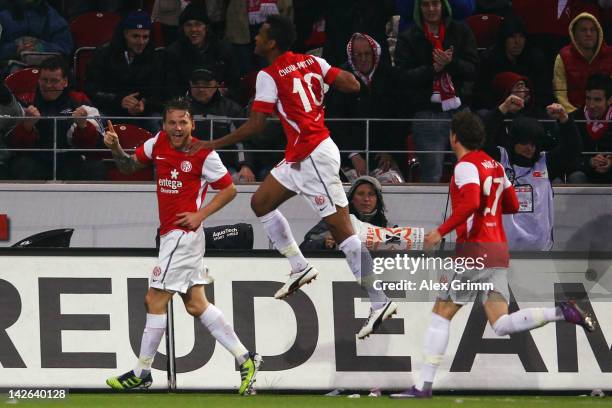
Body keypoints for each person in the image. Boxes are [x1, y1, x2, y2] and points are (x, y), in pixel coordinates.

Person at [190, 15, 397, 339]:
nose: (255, 38)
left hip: (313, 154)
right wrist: (316, 97)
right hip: (300, 155)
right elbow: (353, 84)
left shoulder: (269, 75)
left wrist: (212, 144)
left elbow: (256, 126)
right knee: (261, 202)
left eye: (261, 35)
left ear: (272, 43)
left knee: (342, 230)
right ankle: (300, 266)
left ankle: (379, 300)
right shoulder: (311, 61)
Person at [390, 111, 596, 399]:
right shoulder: (496, 166)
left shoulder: (466, 165)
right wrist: (489, 211)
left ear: (454, 137)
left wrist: (441, 231)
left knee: (441, 314)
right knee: (500, 323)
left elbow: (473, 201)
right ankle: (561, 312)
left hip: (475, 249)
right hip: (498, 250)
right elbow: (511, 204)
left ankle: (423, 386)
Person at [103, 98, 261, 394]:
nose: (177, 128)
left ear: (192, 124)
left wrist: (200, 214)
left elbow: (229, 189)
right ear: (164, 125)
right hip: (172, 235)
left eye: (183, 122)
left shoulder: (204, 153)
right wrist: (114, 147)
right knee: (195, 304)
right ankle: (245, 358)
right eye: (172, 122)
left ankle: (142, 372)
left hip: (182, 235)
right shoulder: (157, 143)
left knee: (154, 299)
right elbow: (127, 166)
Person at [394, 0, 479, 182]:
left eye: (435, 4)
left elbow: (474, 69)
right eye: (425, 5)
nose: (431, 9)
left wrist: (451, 63)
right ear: (419, 8)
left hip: (460, 111)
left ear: (443, 6)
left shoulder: (461, 30)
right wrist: (433, 68)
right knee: (431, 174)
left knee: (469, 173)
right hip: (427, 113)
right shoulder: (408, 37)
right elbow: (403, 78)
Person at [483, 97, 582, 250]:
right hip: (502, 247)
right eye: (524, 142)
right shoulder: (500, 160)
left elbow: (573, 147)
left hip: (539, 248)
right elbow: (480, 139)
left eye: (534, 143)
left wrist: (564, 119)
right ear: (514, 140)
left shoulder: (544, 163)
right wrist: (502, 108)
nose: (530, 148)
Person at [6, 56, 106, 180]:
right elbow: (11, 144)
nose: (48, 85)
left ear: (65, 82)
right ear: (38, 80)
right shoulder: (26, 101)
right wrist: (26, 126)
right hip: (35, 160)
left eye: (54, 81)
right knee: (21, 166)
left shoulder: (80, 101)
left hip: (71, 160)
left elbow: (98, 145)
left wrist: (83, 126)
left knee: (95, 167)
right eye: (44, 80)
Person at [326, 32, 403, 179]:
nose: (363, 59)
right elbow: (335, 121)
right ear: (351, 55)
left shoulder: (389, 76)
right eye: (358, 54)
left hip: (382, 156)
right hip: (347, 159)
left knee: (395, 184)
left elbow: (398, 117)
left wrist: (389, 151)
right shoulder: (340, 78)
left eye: (367, 54)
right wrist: (353, 154)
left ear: (375, 54)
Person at [85, 10, 163, 132]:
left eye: (145, 37)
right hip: (109, 110)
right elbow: (91, 90)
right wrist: (119, 100)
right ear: (125, 34)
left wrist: (144, 104)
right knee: (94, 122)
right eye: (135, 36)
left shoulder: (156, 58)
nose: (141, 42)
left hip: (144, 113)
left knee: (158, 121)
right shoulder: (103, 54)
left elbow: (161, 92)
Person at [187, 68, 256, 182]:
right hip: (188, 166)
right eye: (196, 85)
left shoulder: (231, 109)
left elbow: (241, 141)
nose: (201, 89)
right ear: (190, 85)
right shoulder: (181, 109)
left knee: (241, 179)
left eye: (206, 84)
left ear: (216, 85)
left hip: (223, 167)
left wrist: (245, 166)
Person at [163, 3, 238, 100]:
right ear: (183, 29)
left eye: (198, 24)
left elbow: (235, 84)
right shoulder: (173, 52)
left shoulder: (223, 49)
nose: (193, 29)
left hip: (219, 103)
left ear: (206, 27)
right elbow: (171, 87)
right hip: (186, 104)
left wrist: (224, 92)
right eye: (188, 25)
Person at [300, 175, 389, 250]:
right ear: (352, 199)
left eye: (371, 194)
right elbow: (304, 246)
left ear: (378, 200)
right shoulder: (335, 220)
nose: (366, 199)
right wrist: (323, 243)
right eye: (361, 194)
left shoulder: (385, 225)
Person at [553, 12, 612, 113]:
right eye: (583, 30)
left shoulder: (610, 54)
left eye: (593, 30)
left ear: (599, 32)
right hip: (573, 115)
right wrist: (574, 113)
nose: (589, 34)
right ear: (574, 34)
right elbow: (560, 93)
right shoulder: (563, 56)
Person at [567, 73, 612, 183]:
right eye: (588, 98)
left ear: (609, 100)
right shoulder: (573, 119)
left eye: (597, 100)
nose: (591, 105)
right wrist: (589, 162)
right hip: (585, 172)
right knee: (576, 177)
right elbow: (565, 158)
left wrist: (610, 161)